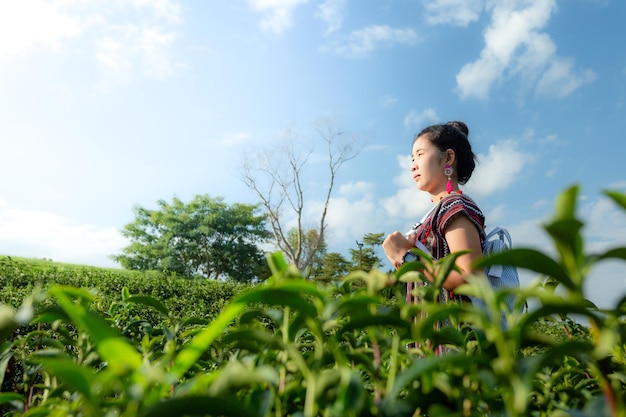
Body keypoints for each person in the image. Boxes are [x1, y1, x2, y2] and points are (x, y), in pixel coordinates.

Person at [382, 121, 485, 353]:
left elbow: (469, 275)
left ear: (448, 159)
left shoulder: (455, 205)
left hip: (455, 350)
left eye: (419, 154)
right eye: (411, 159)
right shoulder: (434, 215)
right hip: (432, 349)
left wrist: (407, 258)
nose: (412, 165)